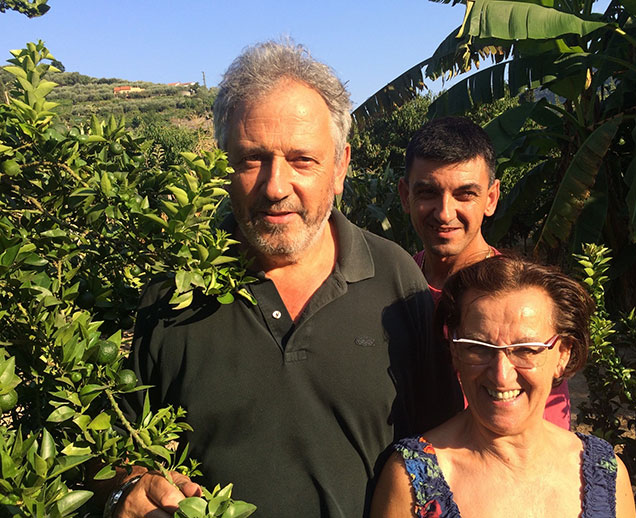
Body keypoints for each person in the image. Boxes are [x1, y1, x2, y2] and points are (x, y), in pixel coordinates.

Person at [102, 40, 460, 518]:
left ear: (340, 167)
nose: (275, 186)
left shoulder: (397, 282)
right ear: (223, 163)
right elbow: (109, 449)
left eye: (302, 159)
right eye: (253, 158)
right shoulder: (172, 297)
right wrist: (123, 491)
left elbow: (444, 447)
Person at [371, 255, 636, 518]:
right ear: (455, 351)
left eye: (525, 350)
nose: (501, 374)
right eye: (478, 348)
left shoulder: (606, 475)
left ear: (563, 354)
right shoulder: (410, 482)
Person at [398, 117, 571, 430]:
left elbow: (545, 432)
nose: (445, 213)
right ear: (404, 196)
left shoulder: (524, 301)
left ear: (491, 198)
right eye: (427, 193)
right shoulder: (393, 285)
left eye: (465, 194)